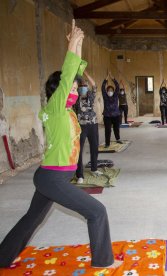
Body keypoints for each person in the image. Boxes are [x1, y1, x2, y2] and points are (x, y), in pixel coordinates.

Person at [0, 20, 121, 269]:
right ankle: (103, 262)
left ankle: (2, 257)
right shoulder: (55, 108)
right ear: (58, 92)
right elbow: (67, 76)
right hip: (53, 178)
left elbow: (73, 74)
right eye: (72, 89)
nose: (76, 91)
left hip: (49, 177)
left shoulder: (68, 112)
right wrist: (73, 43)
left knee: (32, 219)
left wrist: (79, 47)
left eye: (77, 88)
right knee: (96, 212)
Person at [73, 70, 103, 184]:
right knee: (79, 150)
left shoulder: (90, 95)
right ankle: (79, 174)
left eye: (85, 86)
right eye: (81, 86)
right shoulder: (75, 97)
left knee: (94, 147)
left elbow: (94, 84)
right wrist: (75, 76)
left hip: (93, 124)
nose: (83, 87)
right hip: (80, 126)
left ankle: (94, 168)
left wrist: (85, 73)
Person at [102, 72, 122, 147]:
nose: (110, 91)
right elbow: (102, 87)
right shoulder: (105, 96)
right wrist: (106, 78)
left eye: (111, 90)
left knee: (116, 128)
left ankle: (118, 139)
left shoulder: (116, 95)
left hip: (116, 115)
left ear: (113, 91)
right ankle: (107, 143)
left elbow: (117, 86)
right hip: (107, 116)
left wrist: (112, 78)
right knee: (107, 130)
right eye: (108, 90)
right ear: (107, 92)